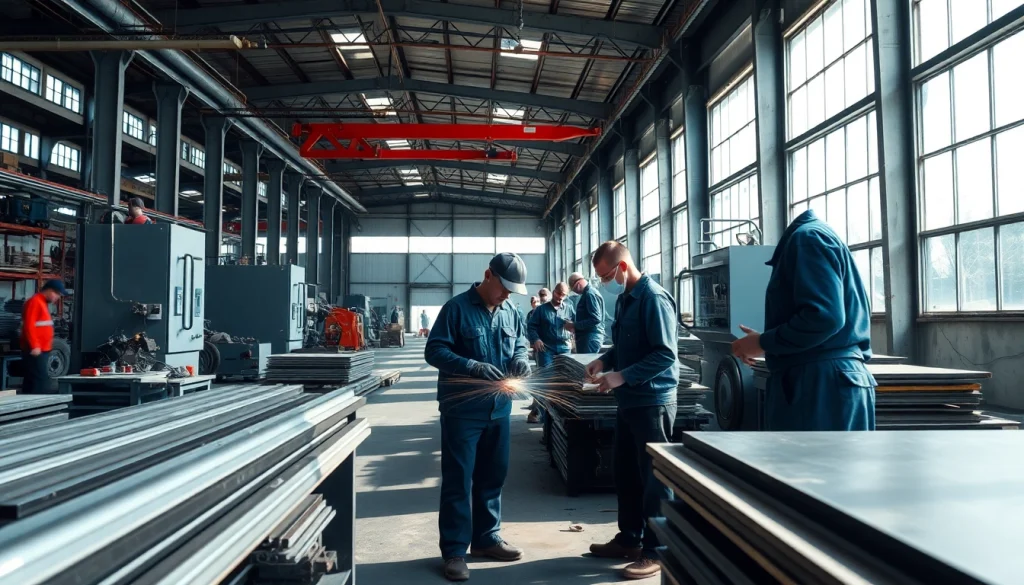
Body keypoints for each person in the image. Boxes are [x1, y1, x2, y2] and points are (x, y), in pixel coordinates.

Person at [425, 252, 532, 582]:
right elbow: (434, 351)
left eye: (512, 291)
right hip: (463, 412)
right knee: (459, 480)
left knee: (492, 477)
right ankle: (455, 551)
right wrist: (470, 366)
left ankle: (486, 539)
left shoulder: (511, 311)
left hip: (499, 409)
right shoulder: (456, 309)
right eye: (504, 288)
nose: (507, 295)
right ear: (488, 275)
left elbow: (520, 343)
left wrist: (521, 359)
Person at [731, 209, 877, 431]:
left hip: (819, 383)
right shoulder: (815, 236)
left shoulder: (806, 239)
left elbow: (824, 318)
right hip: (829, 379)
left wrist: (763, 342)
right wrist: (764, 343)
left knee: (809, 455)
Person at [584, 241, 678, 580]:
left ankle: (657, 550)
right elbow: (625, 345)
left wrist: (622, 376)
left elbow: (665, 354)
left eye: (605, 276)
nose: (604, 284)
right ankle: (630, 539)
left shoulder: (653, 299)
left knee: (654, 478)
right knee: (625, 472)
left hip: (652, 401)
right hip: (629, 401)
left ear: (622, 267)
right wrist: (604, 360)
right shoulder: (626, 299)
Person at [20, 280, 67, 394]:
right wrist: (35, 346)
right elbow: (29, 325)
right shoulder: (35, 302)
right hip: (36, 350)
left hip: (41, 349)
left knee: (33, 381)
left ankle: (29, 403)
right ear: (49, 290)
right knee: (39, 382)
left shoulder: (41, 303)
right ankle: (34, 403)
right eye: (57, 294)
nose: (57, 297)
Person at [527, 283, 575, 369]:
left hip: (564, 347)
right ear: (553, 292)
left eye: (563, 295)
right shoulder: (541, 309)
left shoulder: (569, 309)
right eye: (558, 293)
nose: (560, 297)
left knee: (565, 374)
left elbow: (577, 324)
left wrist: (573, 329)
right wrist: (536, 339)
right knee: (546, 374)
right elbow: (531, 326)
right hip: (546, 348)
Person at [568, 272, 605, 354]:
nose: (576, 293)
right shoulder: (591, 293)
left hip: (589, 338)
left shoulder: (589, 294)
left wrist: (574, 325)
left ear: (578, 284)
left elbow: (595, 319)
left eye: (574, 290)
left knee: (586, 361)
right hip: (590, 338)